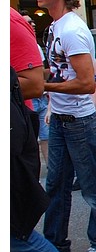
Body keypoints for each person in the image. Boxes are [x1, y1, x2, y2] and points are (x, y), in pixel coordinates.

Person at [10, 11, 92, 252]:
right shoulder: (55, 28)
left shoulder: (13, 24)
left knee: (15, 232)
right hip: (54, 118)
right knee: (50, 192)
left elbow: (81, 82)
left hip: (62, 124)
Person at [32, 0, 96, 252]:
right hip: (61, 119)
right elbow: (59, 71)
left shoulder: (72, 29)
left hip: (79, 122)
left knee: (92, 187)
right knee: (55, 185)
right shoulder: (54, 26)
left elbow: (85, 82)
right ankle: (56, 246)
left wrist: (42, 86)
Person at [19, 10, 49, 169]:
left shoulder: (35, 45)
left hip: (42, 97)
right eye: (27, 22)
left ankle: (50, 170)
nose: (32, 24)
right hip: (28, 99)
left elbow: (41, 71)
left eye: (32, 22)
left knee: (46, 137)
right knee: (31, 140)